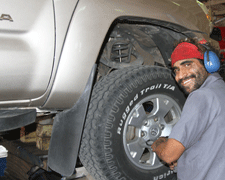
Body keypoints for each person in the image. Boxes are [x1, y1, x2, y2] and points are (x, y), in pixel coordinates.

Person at [151, 38, 225, 180]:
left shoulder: (201, 96)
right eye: (176, 70)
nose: (180, 76)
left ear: (209, 63)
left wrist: (158, 143)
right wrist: (184, 158)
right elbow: (213, 144)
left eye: (187, 64)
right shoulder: (220, 90)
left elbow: (168, 155)